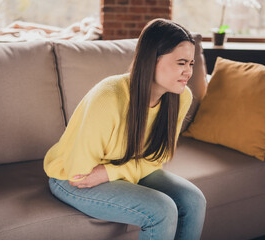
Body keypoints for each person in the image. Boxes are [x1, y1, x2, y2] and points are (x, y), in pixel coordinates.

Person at [44, 18, 206, 240]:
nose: (188, 72)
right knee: (162, 210)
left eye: (191, 63)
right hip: (70, 176)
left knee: (194, 201)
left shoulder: (181, 97)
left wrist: (112, 172)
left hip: (120, 168)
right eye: (181, 63)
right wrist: (114, 172)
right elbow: (79, 174)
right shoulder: (108, 96)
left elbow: (157, 158)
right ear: (153, 60)